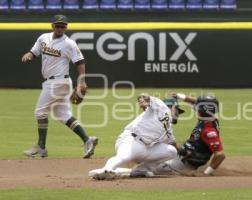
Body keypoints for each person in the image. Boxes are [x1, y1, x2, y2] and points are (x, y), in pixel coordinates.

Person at [21, 15, 98, 158]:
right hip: (54, 82)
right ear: (52, 26)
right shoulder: (43, 38)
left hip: (58, 82)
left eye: (63, 26)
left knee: (40, 112)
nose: (60, 28)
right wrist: (30, 54)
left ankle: (41, 146)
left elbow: (80, 62)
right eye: (57, 25)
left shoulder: (69, 43)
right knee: (63, 115)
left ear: (66, 27)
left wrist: (82, 82)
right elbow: (36, 51)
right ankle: (88, 140)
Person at [88, 95, 185, 180]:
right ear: (173, 107)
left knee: (172, 151)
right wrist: (143, 101)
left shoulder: (168, 129)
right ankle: (107, 169)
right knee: (123, 157)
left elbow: (173, 145)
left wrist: (187, 153)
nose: (178, 114)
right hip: (131, 139)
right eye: (177, 110)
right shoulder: (161, 107)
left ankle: (140, 170)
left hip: (145, 149)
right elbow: (144, 96)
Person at [154, 93, 226, 176]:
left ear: (202, 110)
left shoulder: (208, 131)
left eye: (198, 106)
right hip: (184, 156)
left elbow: (220, 155)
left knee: (150, 167)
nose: (196, 107)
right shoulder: (209, 118)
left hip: (183, 164)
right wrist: (179, 96)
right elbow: (197, 102)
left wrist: (206, 173)